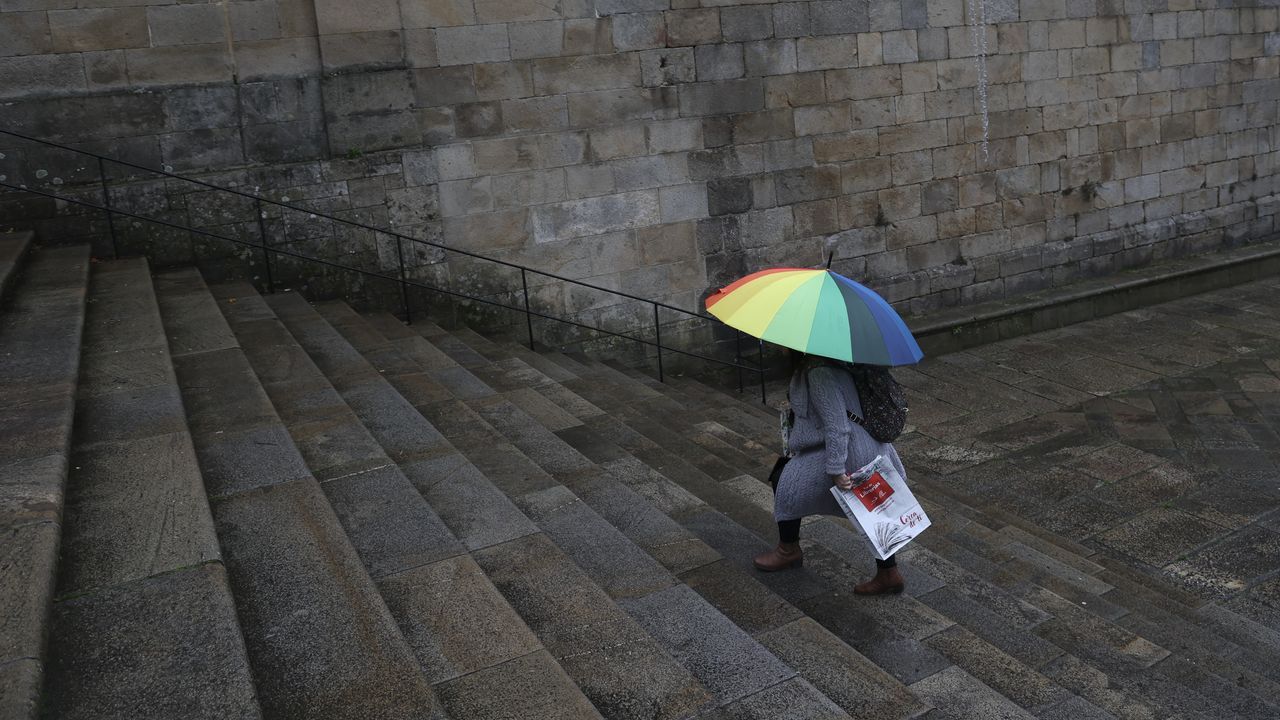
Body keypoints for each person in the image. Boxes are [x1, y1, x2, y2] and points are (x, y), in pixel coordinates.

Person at [753, 351, 907, 595]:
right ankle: (889, 573)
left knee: (783, 478)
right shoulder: (842, 360)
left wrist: (836, 470)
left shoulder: (819, 371)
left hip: (851, 451)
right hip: (871, 446)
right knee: (873, 509)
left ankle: (788, 550)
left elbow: (838, 426)